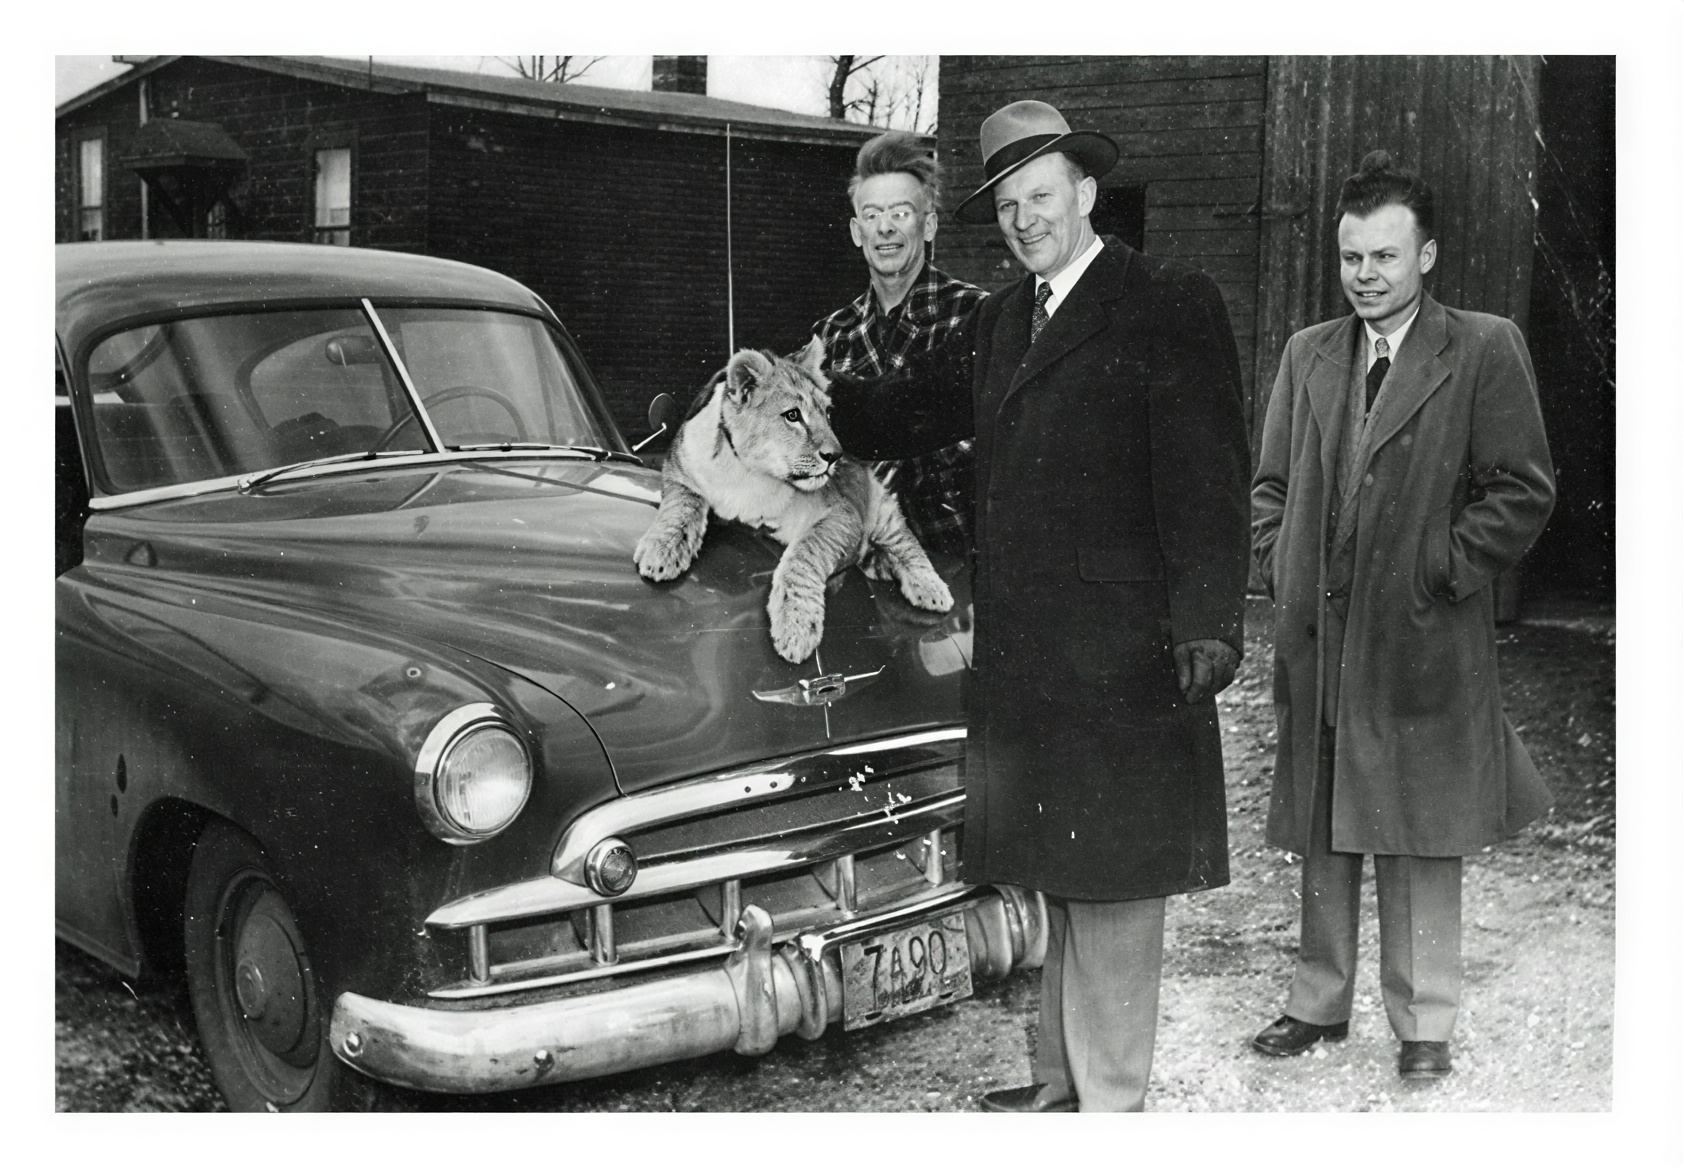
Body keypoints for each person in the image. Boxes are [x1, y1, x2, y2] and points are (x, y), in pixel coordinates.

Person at [828, 100, 1249, 1112]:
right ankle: (1061, 1082)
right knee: (1060, 868)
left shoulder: (1166, 299)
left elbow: (1210, 475)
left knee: (1117, 877)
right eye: (1008, 205)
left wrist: (1207, 623)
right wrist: (785, 393)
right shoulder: (1001, 318)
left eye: (1041, 197)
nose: (1024, 219)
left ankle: (1111, 1101)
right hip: (1029, 646)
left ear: (1087, 194)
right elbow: (914, 411)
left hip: (1127, 644)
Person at [1249, 150, 1556, 1081]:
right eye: (1352, 258)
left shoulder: (1483, 346)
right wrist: (1285, 567)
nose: (1366, 276)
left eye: (1385, 256)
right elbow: (1269, 488)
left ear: (1428, 255)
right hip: (1324, 633)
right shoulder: (1310, 354)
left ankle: (1425, 1021)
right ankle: (1318, 999)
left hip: (1420, 635)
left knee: (1418, 826)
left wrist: (1440, 570)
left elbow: (1523, 490)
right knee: (1323, 817)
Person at [813, 132, 987, 558]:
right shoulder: (831, 335)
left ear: (928, 226)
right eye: (872, 215)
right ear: (857, 231)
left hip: (958, 562)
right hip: (854, 564)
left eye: (901, 212)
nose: (885, 227)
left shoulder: (976, 316)